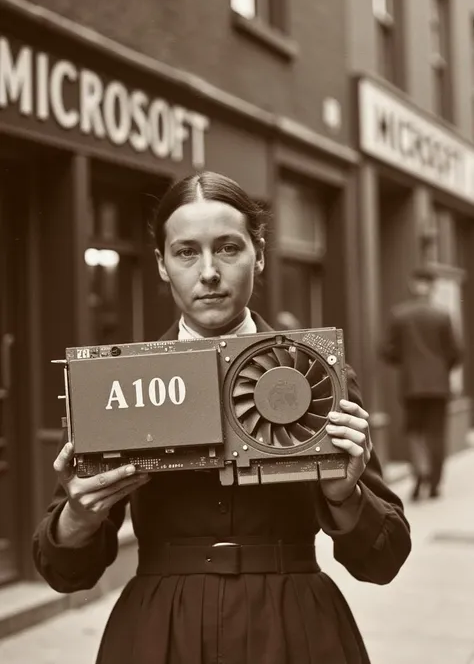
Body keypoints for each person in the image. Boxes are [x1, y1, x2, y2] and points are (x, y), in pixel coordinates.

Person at [33, 172, 411, 664]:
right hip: (163, 631)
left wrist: (345, 494)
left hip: (293, 627)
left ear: (259, 255)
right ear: (163, 265)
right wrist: (78, 516)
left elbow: (383, 560)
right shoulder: (114, 384)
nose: (208, 272)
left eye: (228, 248)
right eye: (186, 252)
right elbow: (66, 574)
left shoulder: (316, 374)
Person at [380, 267, 463, 501]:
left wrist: (406, 363)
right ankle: (435, 484)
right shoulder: (442, 315)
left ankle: (420, 474)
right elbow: (456, 352)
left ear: (411, 285)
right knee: (436, 434)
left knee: (415, 432)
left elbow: (386, 350)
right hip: (438, 386)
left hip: (411, 386)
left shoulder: (400, 315)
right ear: (432, 287)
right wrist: (440, 369)